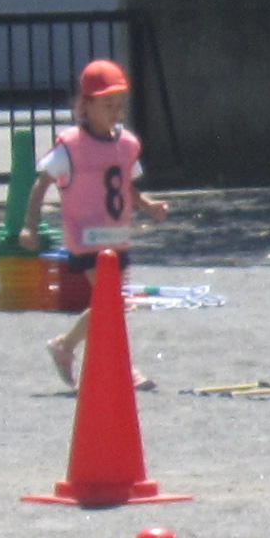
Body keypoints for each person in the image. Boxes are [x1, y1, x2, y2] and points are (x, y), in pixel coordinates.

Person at [41, 59, 169, 393]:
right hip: (87, 237)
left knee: (110, 303)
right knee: (112, 301)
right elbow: (42, 182)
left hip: (117, 234)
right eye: (107, 105)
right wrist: (29, 225)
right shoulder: (71, 146)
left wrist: (147, 204)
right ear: (85, 106)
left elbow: (127, 183)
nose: (115, 112)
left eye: (119, 105)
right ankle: (121, 367)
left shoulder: (124, 144)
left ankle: (65, 345)